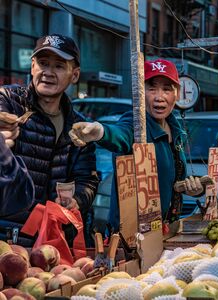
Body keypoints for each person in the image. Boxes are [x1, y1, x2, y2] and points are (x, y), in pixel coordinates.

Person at [69, 59, 203, 232]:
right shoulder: (136, 123)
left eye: (167, 89)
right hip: (134, 236)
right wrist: (100, 132)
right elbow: (121, 134)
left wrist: (193, 188)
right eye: (152, 88)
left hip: (165, 229)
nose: (159, 97)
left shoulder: (174, 128)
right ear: (140, 92)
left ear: (176, 94)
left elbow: (171, 180)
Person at [0, 34, 99, 246]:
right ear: (32, 67)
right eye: (43, 64)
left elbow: (88, 180)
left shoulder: (79, 127)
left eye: (59, 66)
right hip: (7, 237)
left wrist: (77, 201)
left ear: (75, 75)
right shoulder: (10, 101)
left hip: (53, 240)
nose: (48, 73)